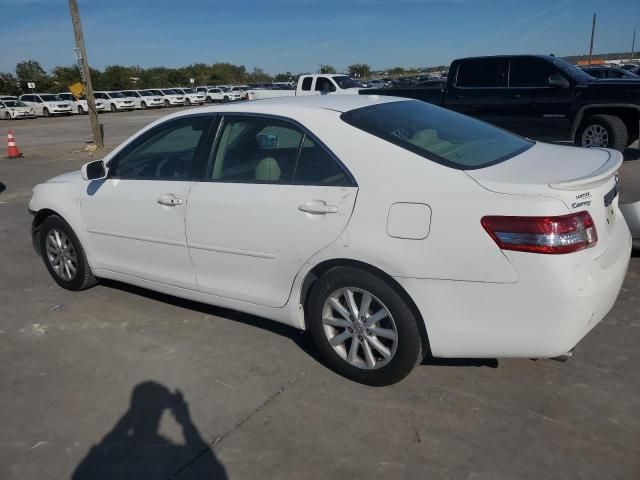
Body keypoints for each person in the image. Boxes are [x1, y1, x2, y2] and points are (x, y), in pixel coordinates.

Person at [72, 381, 227, 479]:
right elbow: (210, 468)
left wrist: (132, 413)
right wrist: (186, 423)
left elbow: (100, 456)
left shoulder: (111, 465)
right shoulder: (174, 462)